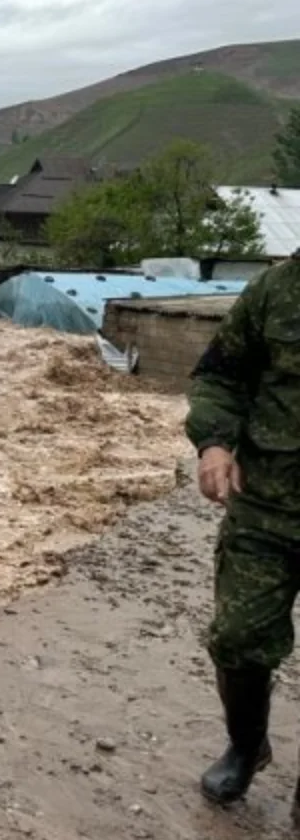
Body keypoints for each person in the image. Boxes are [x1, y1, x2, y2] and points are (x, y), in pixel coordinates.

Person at [186, 254, 300, 805]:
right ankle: (246, 745)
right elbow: (220, 375)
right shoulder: (275, 289)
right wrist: (214, 442)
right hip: (266, 506)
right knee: (237, 639)